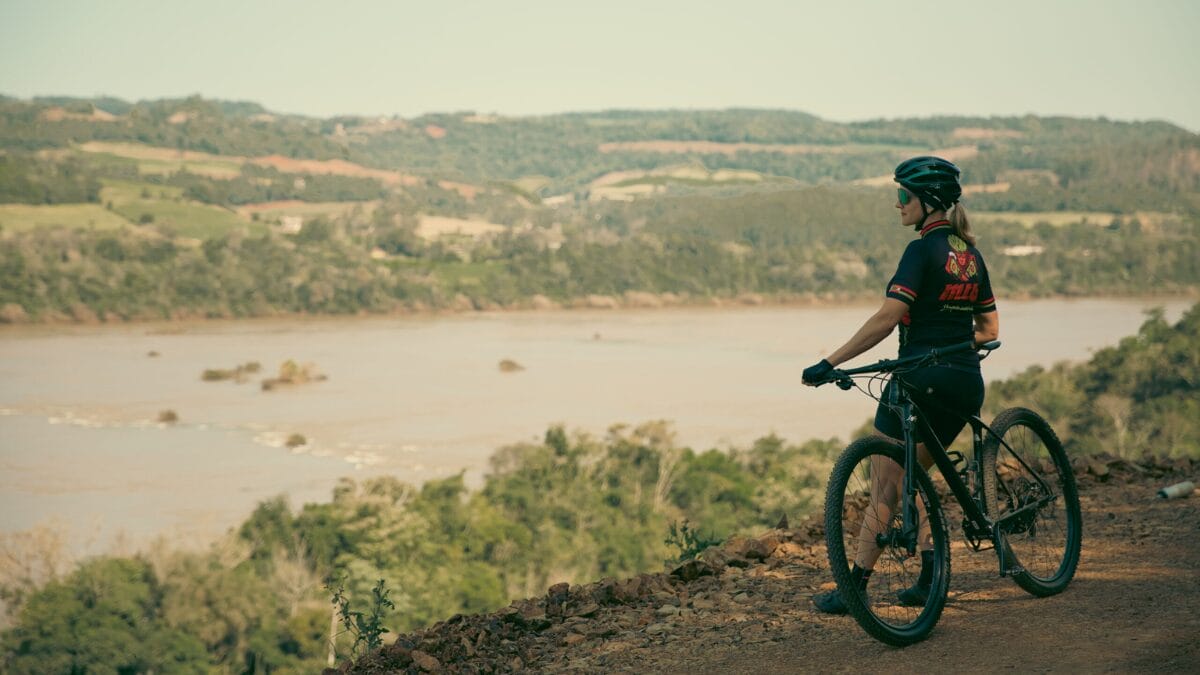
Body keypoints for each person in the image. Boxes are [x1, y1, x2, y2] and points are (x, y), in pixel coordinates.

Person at [801, 156, 1000, 614]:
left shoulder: (921, 251)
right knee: (915, 476)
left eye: (902, 196)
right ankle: (929, 580)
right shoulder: (970, 253)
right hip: (966, 381)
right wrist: (952, 344)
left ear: (927, 201)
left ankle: (854, 590)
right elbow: (988, 330)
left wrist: (829, 362)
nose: (897, 205)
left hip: (920, 381)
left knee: (886, 484)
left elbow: (888, 319)